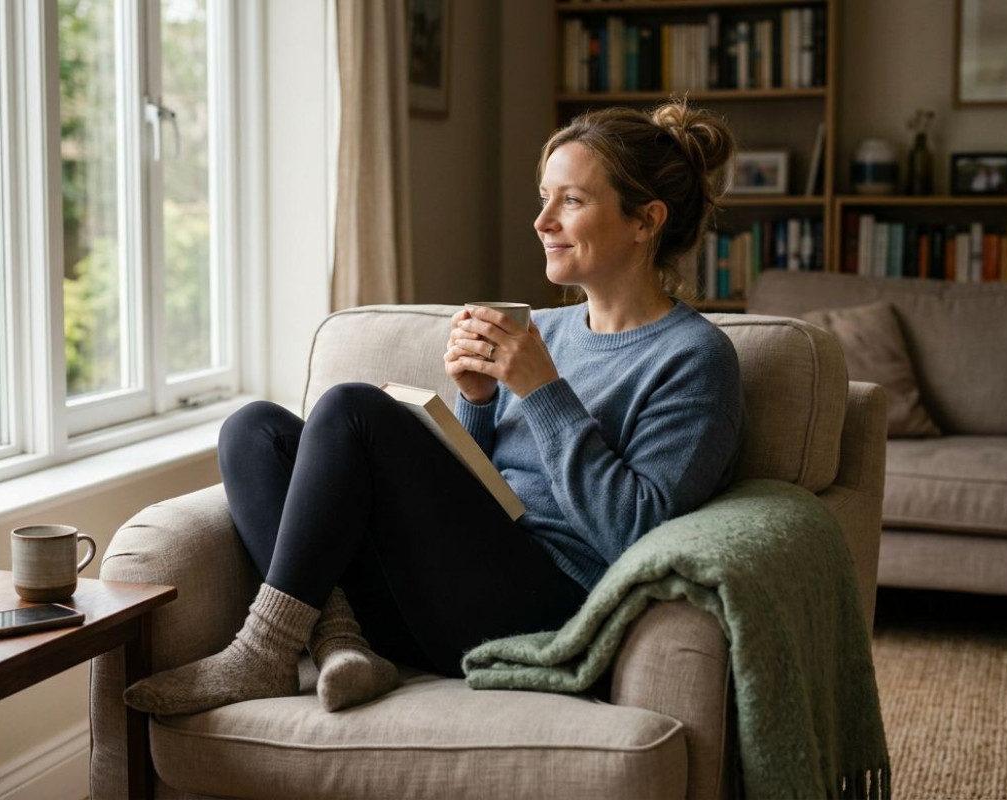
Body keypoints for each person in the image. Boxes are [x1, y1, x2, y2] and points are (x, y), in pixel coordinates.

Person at [124, 101, 746, 717]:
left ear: (646, 221)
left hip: (546, 605)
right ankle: (339, 644)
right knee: (254, 428)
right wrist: (476, 403)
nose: (542, 221)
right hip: (440, 592)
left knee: (351, 410)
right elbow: (483, 483)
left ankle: (263, 651)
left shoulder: (693, 357)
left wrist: (541, 393)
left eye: (572, 201)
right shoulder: (546, 330)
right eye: (544, 197)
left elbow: (637, 534)